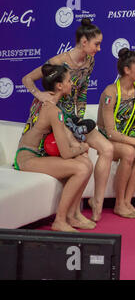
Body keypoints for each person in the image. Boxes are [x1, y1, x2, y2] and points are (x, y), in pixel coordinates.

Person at [21, 18, 114, 222]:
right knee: (80, 159)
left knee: (107, 149)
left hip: (71, 118)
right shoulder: (58, 63)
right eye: (96, 44)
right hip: (57, 120)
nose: (99, 48)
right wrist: (40, 95)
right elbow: (27, 79)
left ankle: (96, 202)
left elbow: (81, 91)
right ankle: (72, 214)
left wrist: (79, 119)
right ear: (83, 42)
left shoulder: (90, 61)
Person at [15, 64, 94, 232]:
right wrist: (83, 146)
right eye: (68, 81)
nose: (71, 84)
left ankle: (73, 215)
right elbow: (65, 153)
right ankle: (60, 220)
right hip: (27, 159)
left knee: (86, 164)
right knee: (81, 168)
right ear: (59, 86)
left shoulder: (43, 99)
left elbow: (65, 136)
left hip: (37, 155)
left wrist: (79, 148)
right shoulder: (54, 111)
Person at [96, 48, 135, 218]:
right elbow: (111, 132)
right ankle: (118, 204)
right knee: (129, 152)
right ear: (127, 70)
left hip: (127, 138)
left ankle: (127, 201)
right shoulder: (110, 93)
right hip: (106, 139)